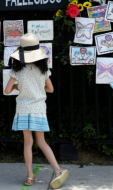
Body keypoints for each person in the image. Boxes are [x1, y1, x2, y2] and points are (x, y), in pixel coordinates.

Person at [5, 33, 69, 189]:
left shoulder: (17, 71)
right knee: (41, 142)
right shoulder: (43, 71)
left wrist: (16, 86)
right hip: (39, 109)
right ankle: (58, 170)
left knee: (28, 143)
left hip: (23, 109)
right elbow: (51, 89)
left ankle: (29, 176)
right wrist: (39, 89)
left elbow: (7, 91)